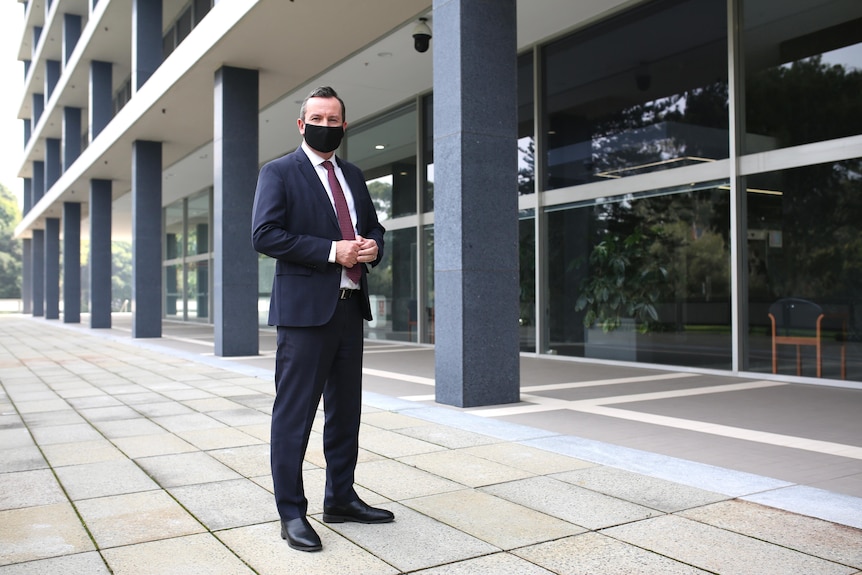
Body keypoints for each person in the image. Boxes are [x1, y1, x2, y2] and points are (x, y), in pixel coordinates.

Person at [251, 86, 391, 552]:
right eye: (317, 119)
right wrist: (334, 251)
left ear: (344, 126)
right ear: (301, 123)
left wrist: (372, 246)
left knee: (345, 412)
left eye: (334, 121)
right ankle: (291, 513)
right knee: (294, 416)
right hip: (304, 316)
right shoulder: (279, 173)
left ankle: (341, 498)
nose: (325, 126)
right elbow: (265, 234)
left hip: (350, 309)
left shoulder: (352, 174)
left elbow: (372, 227)